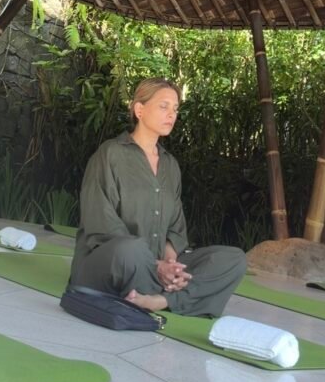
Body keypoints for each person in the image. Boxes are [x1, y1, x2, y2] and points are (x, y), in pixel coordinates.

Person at [67, 77, 247, 317]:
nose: (171, 114)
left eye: (175, 109)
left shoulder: (170, 165)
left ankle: (157, 300)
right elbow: (101, 222)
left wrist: (171, 264)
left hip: (156, 265)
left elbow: (174, 227)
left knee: (233, 259)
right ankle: (175, 296)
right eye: (163, 106)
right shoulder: (110, 154)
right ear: (139, 109)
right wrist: (156, 265)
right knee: (129, 249)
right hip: (112, 262)